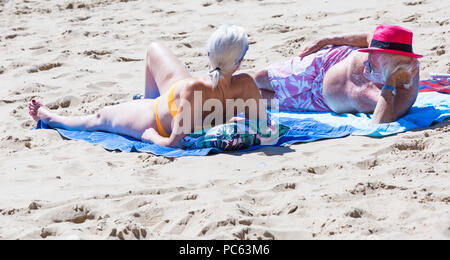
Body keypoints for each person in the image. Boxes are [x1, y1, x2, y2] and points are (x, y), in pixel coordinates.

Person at [29, 25, 266, 148]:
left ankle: (53, 118)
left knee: (100, 118)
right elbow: (266, 131)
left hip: (155, 115)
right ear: (240, 62)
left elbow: (174, 143)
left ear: (208, 54)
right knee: (153, 49)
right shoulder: (246, 83)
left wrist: (150, 136)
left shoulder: (196, 90)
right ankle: (144, 99)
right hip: (181, 91)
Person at [254, 25, 422, 124]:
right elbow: (368, 36)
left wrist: (390, 83)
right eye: (368, 54)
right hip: (322, 65)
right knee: (258, 78)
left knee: (260, 99)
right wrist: (326, 40)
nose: (366, 61)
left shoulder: (401, 96)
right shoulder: (385, 45)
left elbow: (381, 123)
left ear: (391, 67)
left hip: (317, 101)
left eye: (372, 62)